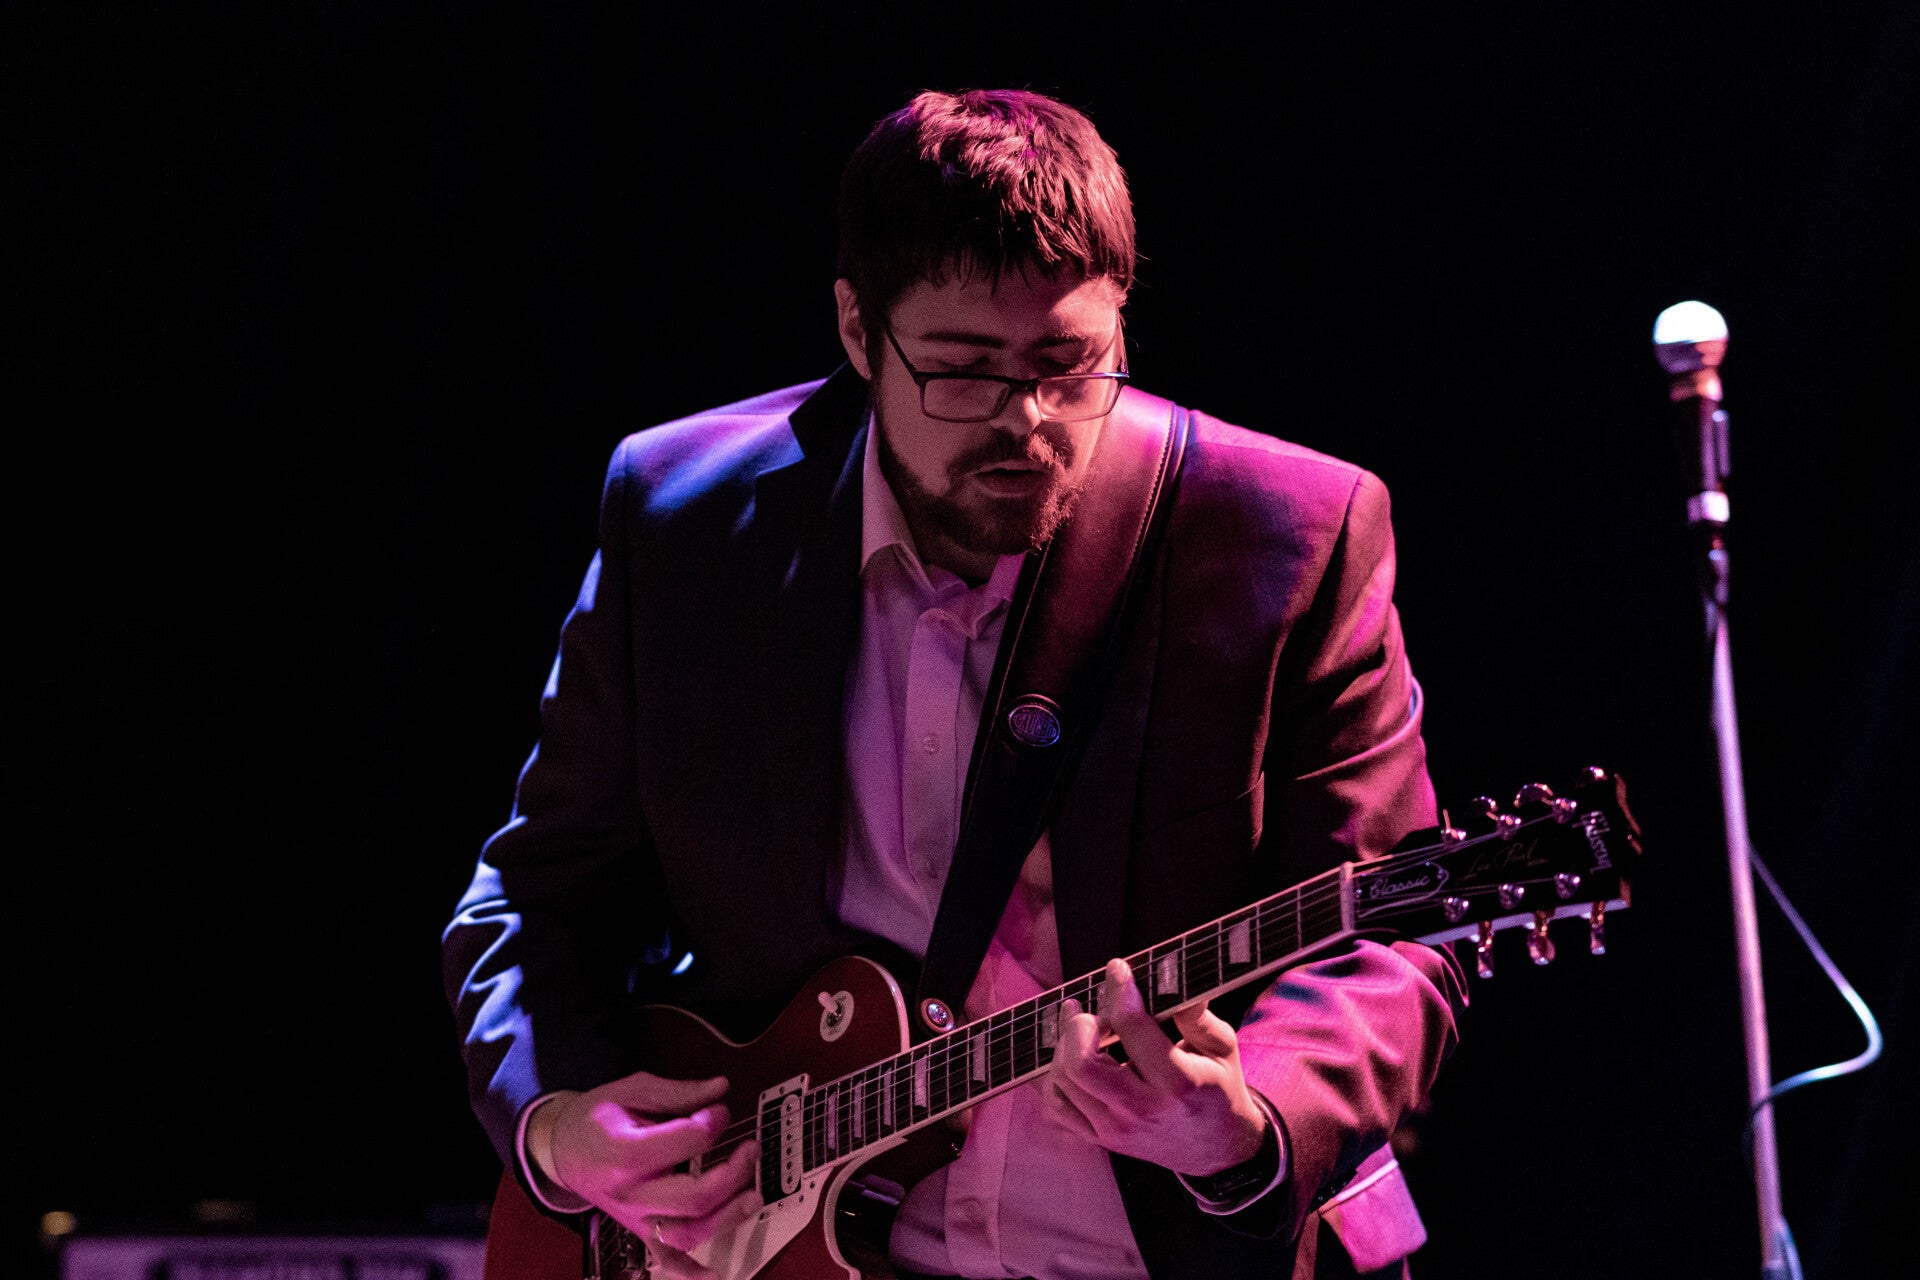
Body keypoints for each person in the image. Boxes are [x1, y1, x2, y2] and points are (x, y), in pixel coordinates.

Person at [444, 88, 1467, 1280]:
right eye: (962, 372)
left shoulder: (1289, 536)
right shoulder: (687, 522)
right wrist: (556, 1123)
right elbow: (541, 892)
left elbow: (1389, 937)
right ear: (857, 328)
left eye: (1068, 364)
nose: (1024, 422)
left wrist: (1246, 1125)